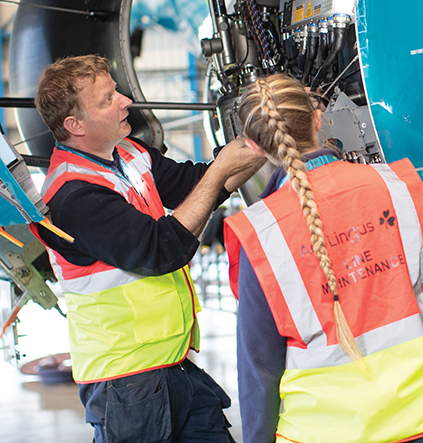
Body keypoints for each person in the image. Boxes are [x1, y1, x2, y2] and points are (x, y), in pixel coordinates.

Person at [223, 74, 423, 443]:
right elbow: (421, 284)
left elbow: (260, 367)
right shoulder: (398, 188)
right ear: (318, 118)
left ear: (254, 147)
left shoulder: (261, 233)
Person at [32, 54, 265, 443]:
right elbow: (162, 250)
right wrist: (223, 169)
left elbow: (196, 184)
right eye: (108, 99)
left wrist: (261, 143)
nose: (126, 101)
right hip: (126, 385)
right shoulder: (71, 197)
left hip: (173, 365)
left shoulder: (130, 153)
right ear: (74, 125)